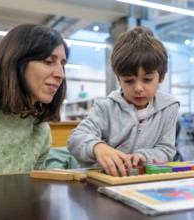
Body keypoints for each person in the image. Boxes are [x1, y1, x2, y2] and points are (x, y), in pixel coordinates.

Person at [0, 24, 69, 176]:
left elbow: (32, 191)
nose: (61, 74)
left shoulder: (40, 130)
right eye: (48, 61)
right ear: (16, 61)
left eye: (63, 64)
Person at [68, 26, 180, 177]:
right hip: (106, 179)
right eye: (129, 81)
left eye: (147, 79)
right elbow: (76, 138)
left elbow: (166, 150)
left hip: (143, 180)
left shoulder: (169, 107)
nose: (138, 88)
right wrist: (98, 147)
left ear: (161, 76)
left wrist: (143, 156)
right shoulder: (106, 106)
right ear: (118, 78)